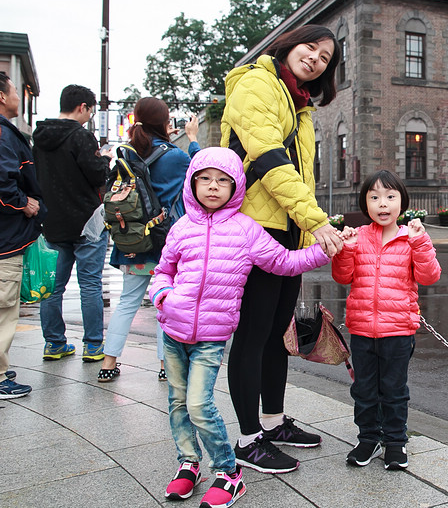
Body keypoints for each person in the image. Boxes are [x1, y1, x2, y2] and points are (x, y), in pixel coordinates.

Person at [150, 147, 329, 505]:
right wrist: (162, 296)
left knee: (199, 405)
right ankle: (188, 464)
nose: (213, 187)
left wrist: (325, 249)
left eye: (223, 180)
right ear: (192, 183)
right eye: (205, 179)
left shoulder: (246, 229)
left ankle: (228, 472)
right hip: (173, 333)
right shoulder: (182, 227)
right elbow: (164, 270)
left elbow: (283, 261)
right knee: (178, 405)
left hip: (210, 338)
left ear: (236, 187)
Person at [222, 24, 345, 473]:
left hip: (286, 232)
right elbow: (270, 160)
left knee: (278, 332)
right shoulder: (257, 84)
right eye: (310, 48)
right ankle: (247, 439)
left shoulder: (300, 104)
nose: (315, 59)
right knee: (253, 334)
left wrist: (307, 229)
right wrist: (316, 221)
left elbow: (302, 176)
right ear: (290, 45)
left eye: (325, 58)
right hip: (256, 230)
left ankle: (273, 423)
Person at [332, 170, 441, 470]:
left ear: (402, 202)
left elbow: (429, 276)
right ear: (365, 204)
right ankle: (368, 439)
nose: (383, 203)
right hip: (362, 330)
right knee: (364, 390)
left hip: (398, 331)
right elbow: (342, 276)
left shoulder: (411, 238)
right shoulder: (358, 237)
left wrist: (420, 243)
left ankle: (395, 441)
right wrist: (346, 249)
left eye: (390, 196)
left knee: (394, 390)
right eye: (375, 197)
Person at [97, 98, 200, 383]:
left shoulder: (126, 154)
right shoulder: (175, 157)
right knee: (165, 303)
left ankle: (108, 363)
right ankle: (167, 366)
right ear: (164, 123)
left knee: (127, 302)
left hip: (132, 241)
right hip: (164, 242)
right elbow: (202, 171)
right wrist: (192, 138)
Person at [33, 85, 111, 362]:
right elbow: (96, 175)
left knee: (53, 287)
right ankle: (93, 346)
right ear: (82, 107)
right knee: (90, 285)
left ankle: (54, 343)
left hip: (53, 222)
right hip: (87, 222)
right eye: (90, 111)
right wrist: (104, 160)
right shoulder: (81, 136)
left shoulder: (40, 137)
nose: (89, 116)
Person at [0, 72, 45, 399]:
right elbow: (3, 183)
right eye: (16, 90)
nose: (18, 96)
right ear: (2, 96)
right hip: (5, 239)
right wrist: (24, 203)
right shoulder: (3, 135)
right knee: (4, 310)